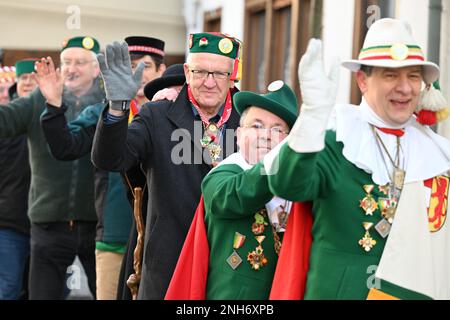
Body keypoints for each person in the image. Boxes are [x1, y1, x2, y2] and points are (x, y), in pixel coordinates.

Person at [266, 18, 450, 299]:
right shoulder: (336, 138)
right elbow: (288, 185)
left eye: (413, 76)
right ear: (363, 81)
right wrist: (313, 117)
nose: (405, 88)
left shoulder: (439, 154)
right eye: (391, 75)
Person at [91, 32, 243, 299]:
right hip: (168, 266)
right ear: (186, 71)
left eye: (219, 74)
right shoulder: (156, 115)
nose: (209, 82)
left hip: (231, 266)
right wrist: (117, 107)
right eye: (200, 72)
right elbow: (110, 159)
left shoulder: (248, 121)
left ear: (233, 75)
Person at [38, 36, 167, 300]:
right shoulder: (105, 114)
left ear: (160, 71)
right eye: (130, 67)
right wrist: (53, 105)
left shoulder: (172, 116)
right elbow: (65, 147)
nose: (137, 74)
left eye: (145, 66)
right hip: (115, 236)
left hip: (164, 238)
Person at [0, 36, 104, 299]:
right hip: (48, 225)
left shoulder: (109, 103)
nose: (71, 68)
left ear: (96, 69)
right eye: (66, 61)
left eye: (80, 62)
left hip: (97, 226)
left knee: (108, 294)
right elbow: (5, 121)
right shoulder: (38, 98)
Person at [116, 63, 186, 300]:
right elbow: (122, 162)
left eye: (184, 91)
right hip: (157, 243)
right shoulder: (152, 121)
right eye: (173, 91)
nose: (178, 98)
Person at [0, 59, 37, 300]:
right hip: (9, 221)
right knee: (9, 287)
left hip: (47, 224)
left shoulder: (56, 117)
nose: (28, 82)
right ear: (16, 84)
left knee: (44, 289)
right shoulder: (5, 120)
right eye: (24, 78)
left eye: (33, 77)